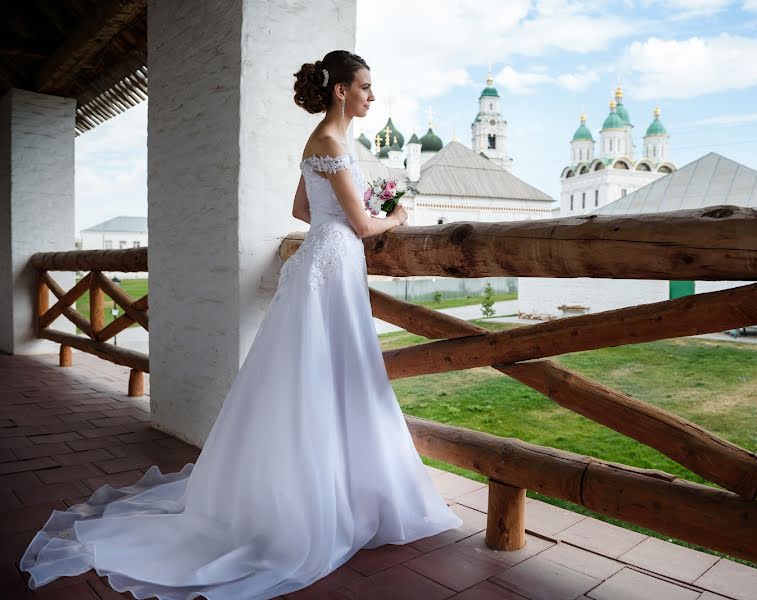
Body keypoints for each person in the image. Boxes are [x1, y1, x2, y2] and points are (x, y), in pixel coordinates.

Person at [19, 49, 463, 600]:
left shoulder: (321, 143)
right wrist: (396, 214)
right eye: (367, 87)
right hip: (334, 263)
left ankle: (330, 484)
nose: (374, 96)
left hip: (321, 263)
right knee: (331, 374)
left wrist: (361, 208)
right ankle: (327, 496)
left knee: (316, 375)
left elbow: (303, 211)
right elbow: (363, 225)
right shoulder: (331, 141)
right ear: (341, 91)